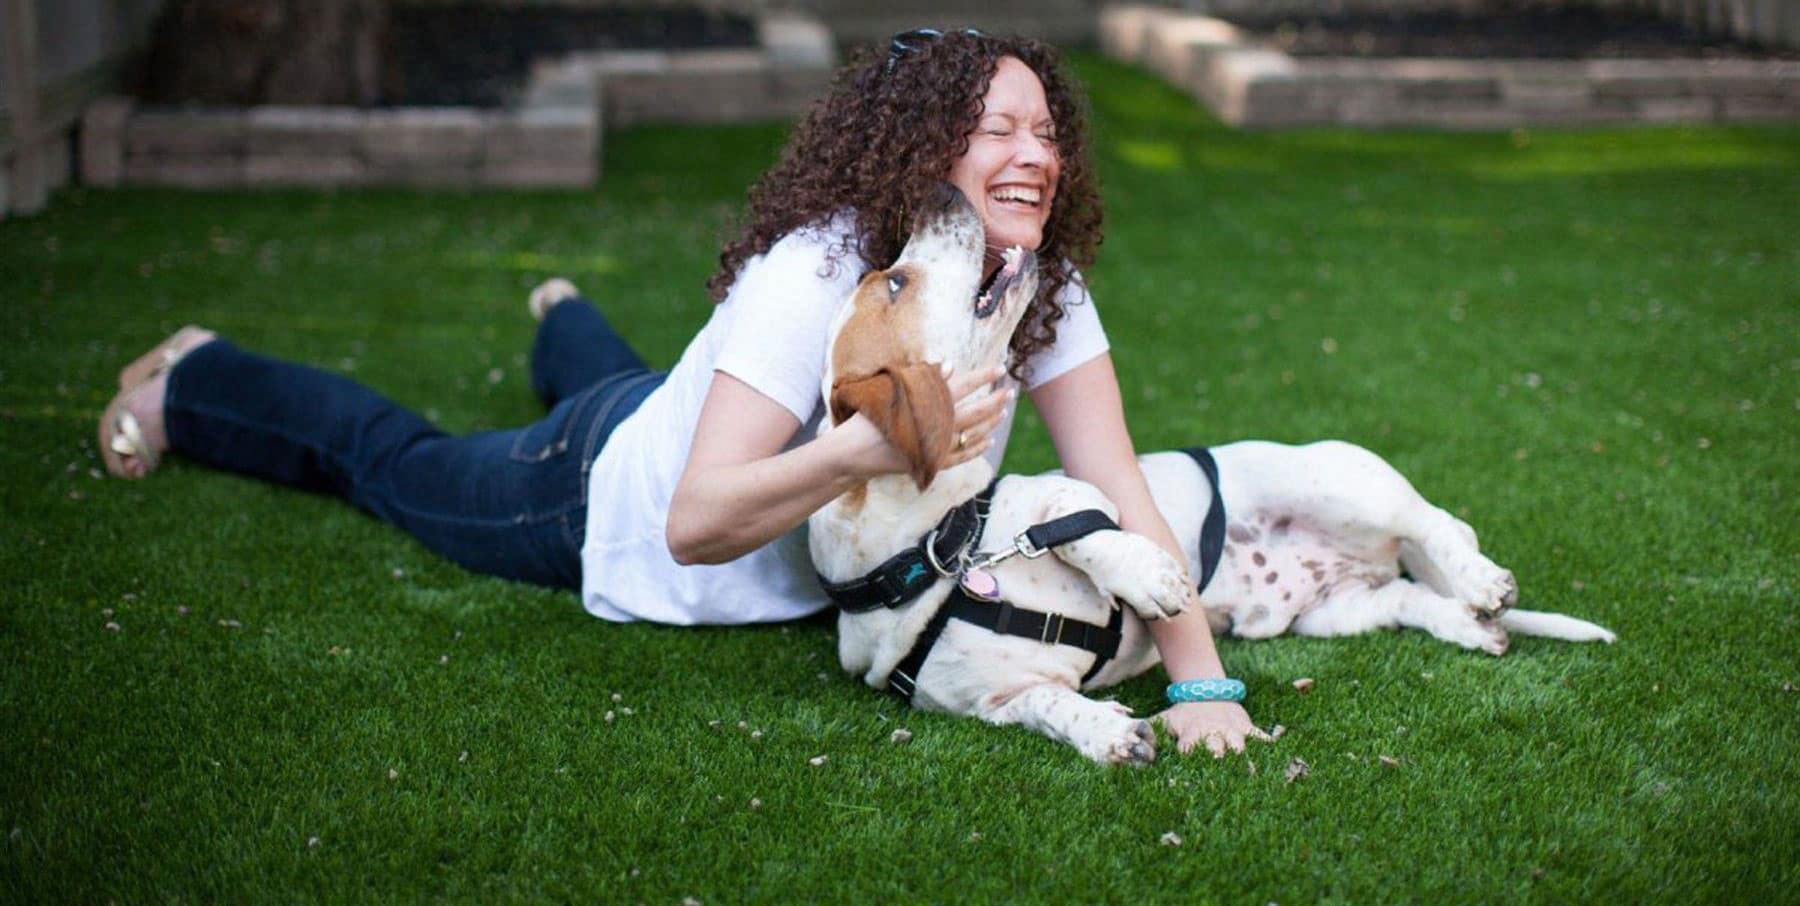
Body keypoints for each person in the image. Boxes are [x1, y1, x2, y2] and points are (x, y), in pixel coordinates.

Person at [96, 30, 1266, 757]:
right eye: (997, 129)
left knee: (628, 381)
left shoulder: (1035, 280)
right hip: (593, 496)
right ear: (922, 150)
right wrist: (866, 453)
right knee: (396, 466)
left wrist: (1201, 679)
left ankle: (559, 313)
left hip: (695, 427)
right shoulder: (812, 270)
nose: (1034, 154)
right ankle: (193, 376)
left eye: (1046, 132)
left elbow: (1114, 479)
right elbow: (695, 522)